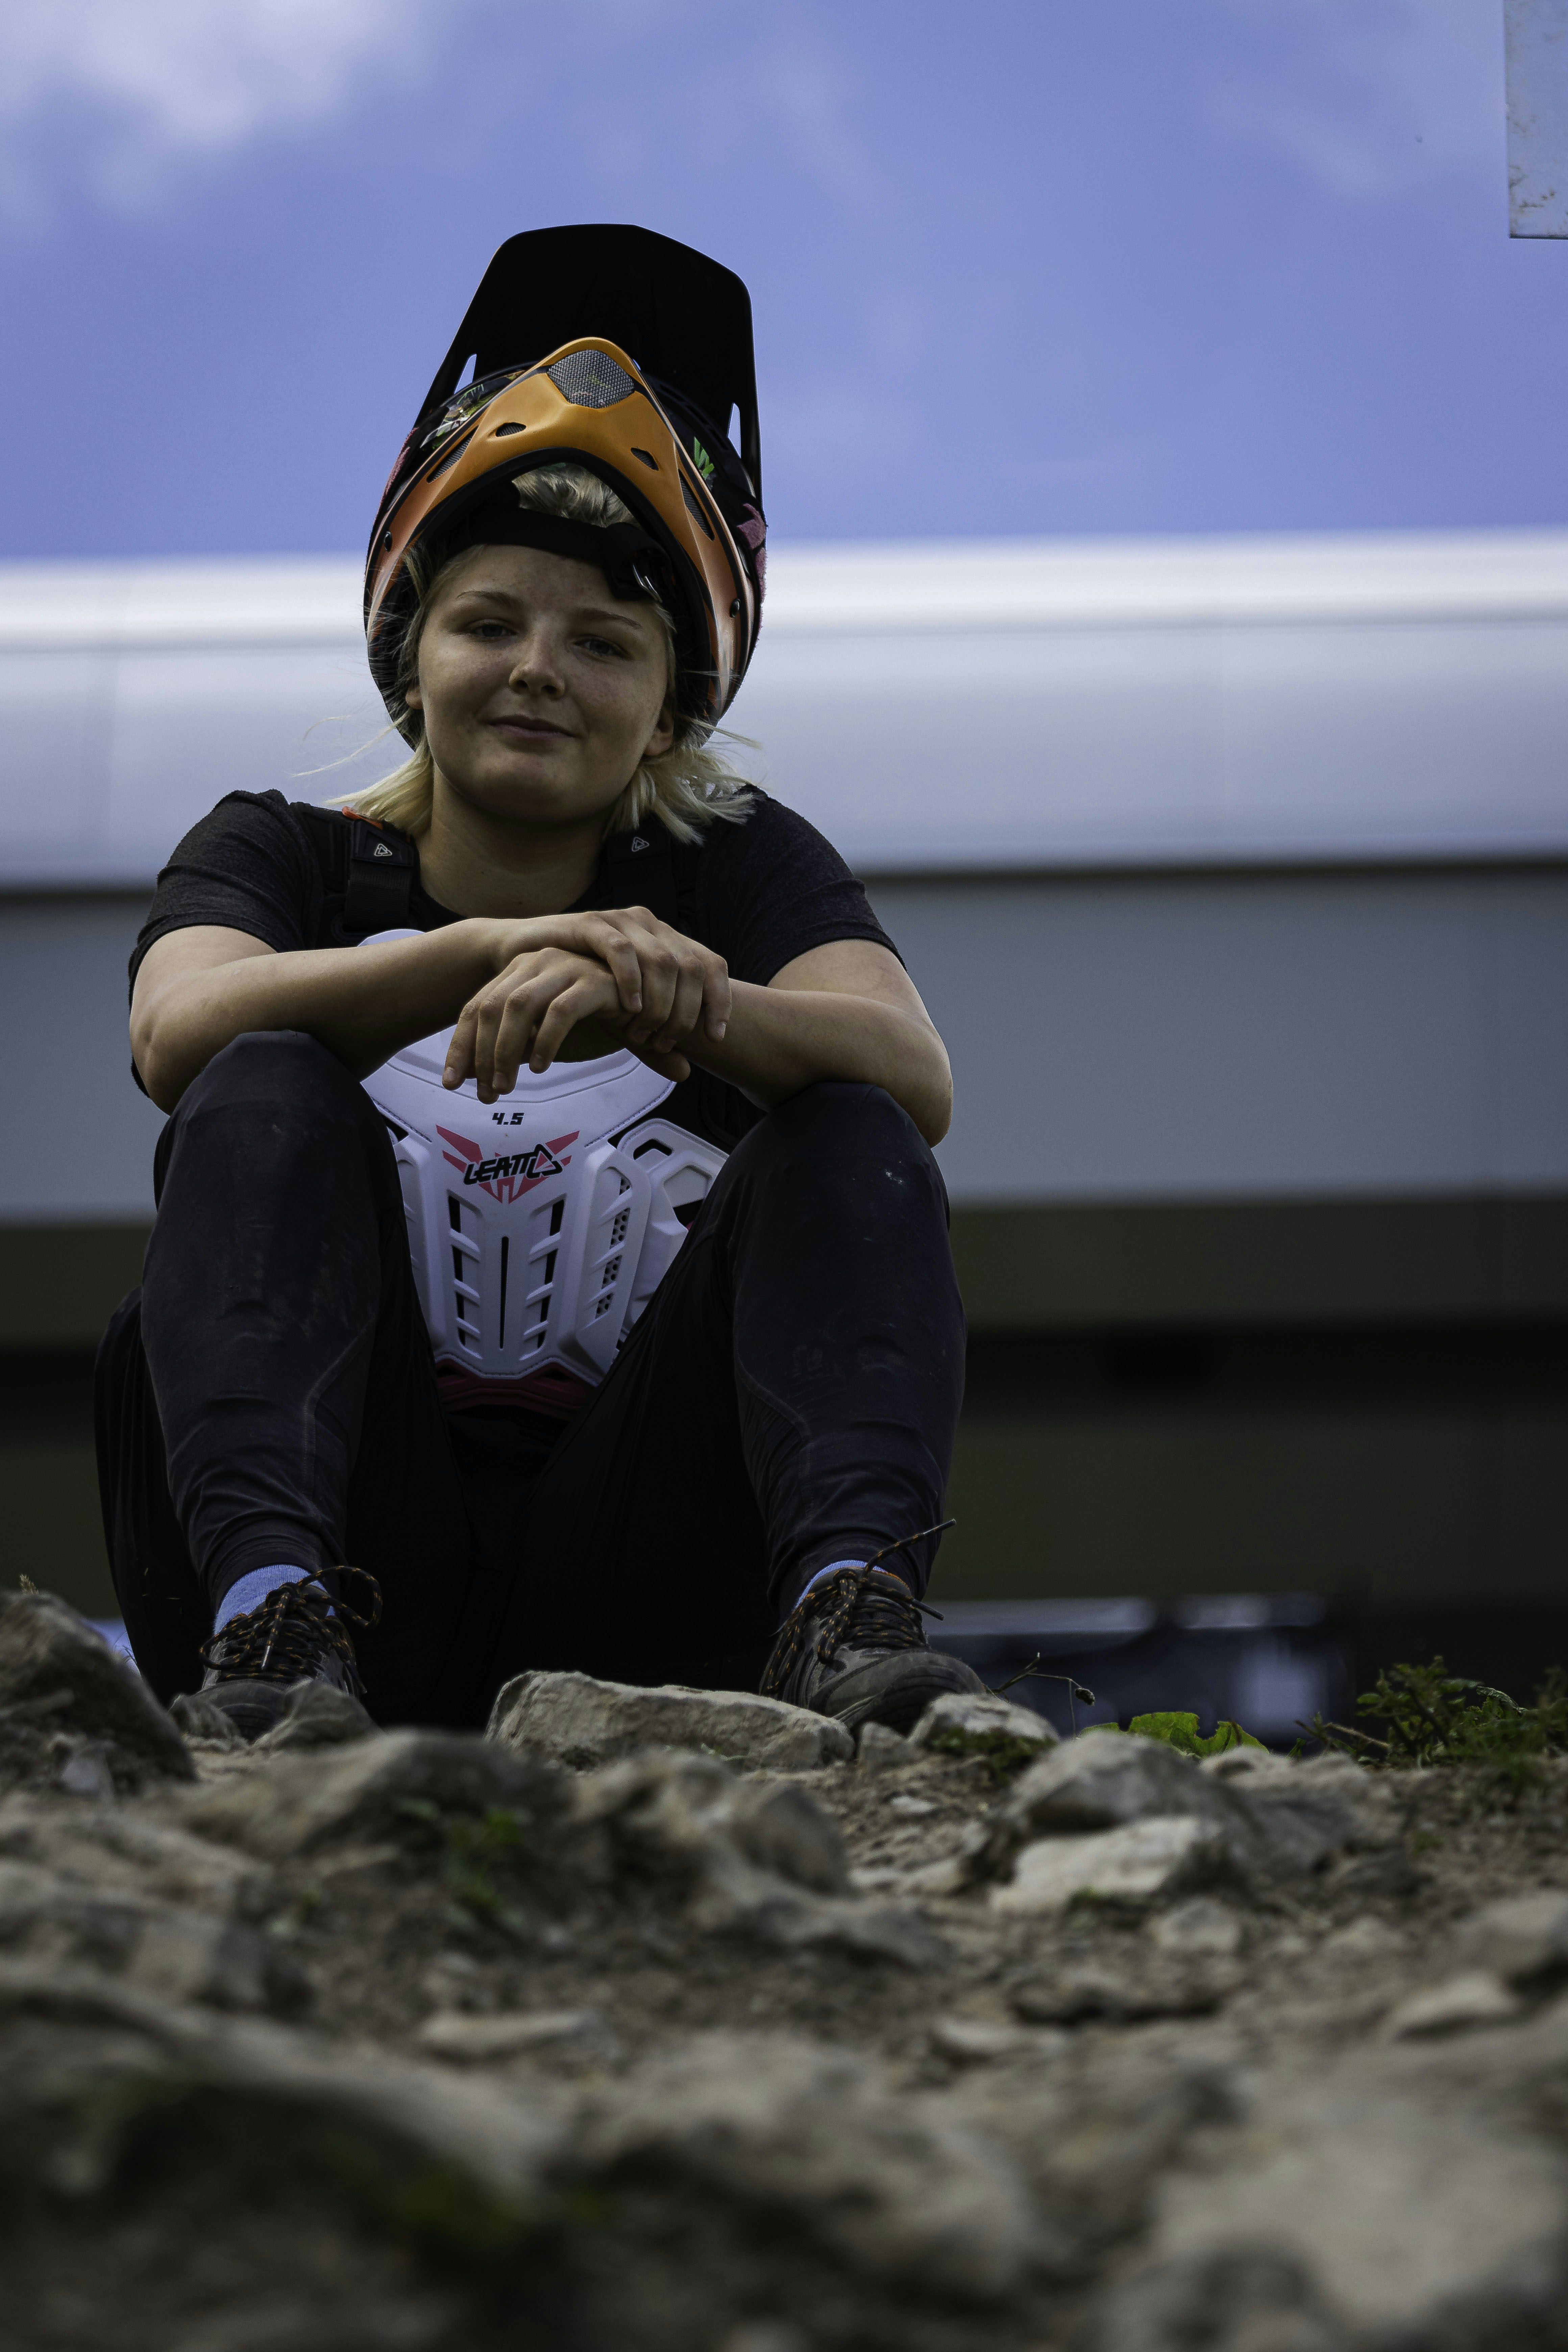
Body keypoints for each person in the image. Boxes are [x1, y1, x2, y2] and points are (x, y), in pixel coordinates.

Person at [95, 223, 985, 1742]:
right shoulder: (278, 852)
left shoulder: (738, 868)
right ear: (411, 659)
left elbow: (915, 1079)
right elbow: (176, 1037)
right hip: (354, 1561)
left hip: (645, 1581)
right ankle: (264, 1623)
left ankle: (847, 1605)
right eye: (488, 624)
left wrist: (687, 999)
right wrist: (491, 955)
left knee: (841, 1124)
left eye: (603, 643)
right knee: (261, 1077)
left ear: (667, 714)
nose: (537, 670)